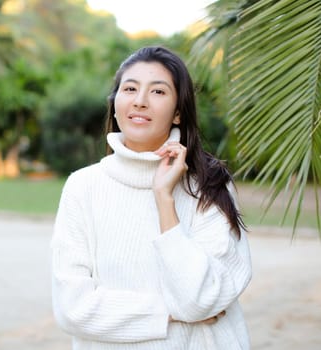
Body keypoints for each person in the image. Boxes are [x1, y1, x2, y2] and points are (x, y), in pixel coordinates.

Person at [51, 46, 252, 349]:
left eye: (158, 92)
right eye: (130, 88)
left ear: (178, 113)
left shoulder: (209, 186)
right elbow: (73, 309)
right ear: (116, 103)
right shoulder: (83, 187)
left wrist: (164, 199)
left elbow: (199, 298)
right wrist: (170, 313)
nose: (140, 101)